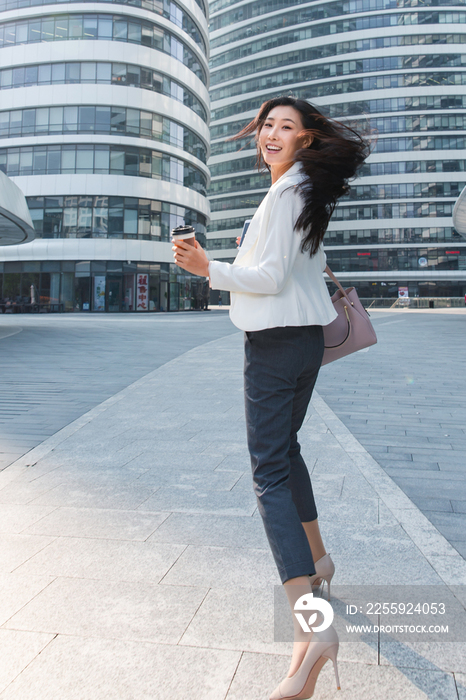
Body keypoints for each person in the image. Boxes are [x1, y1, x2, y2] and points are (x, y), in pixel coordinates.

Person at [173, 95, 369, 700]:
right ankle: (321, 560)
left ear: (307, 138)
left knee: (267, 474)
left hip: (277, 343)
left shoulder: (289, 192)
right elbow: (295, 267)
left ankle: (313, 632)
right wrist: (240, 254)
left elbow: (269, 279)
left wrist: (210, 266)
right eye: (267, 126)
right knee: (285, 451)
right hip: (303, 341)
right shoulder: (301, 189)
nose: (272, 134)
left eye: (287, 126)